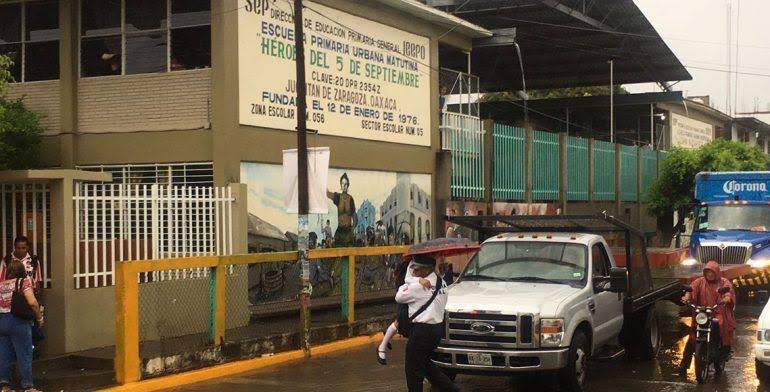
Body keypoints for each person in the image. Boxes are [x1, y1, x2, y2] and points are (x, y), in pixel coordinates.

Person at [395, 255, 458, 392]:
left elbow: (399, 296)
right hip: (436, 330)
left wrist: (416, 281)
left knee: (413, 371)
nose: (414, 272)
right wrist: (417, 279)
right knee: (426, 365)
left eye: (417, 270)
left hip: (421, 332)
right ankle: (452, 390)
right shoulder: (442, 282)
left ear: (426, 270)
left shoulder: (419, 287)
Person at [678, 260, 736, 375]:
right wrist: (687, 297)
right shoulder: (699, 282)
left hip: (717, 313)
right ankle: (683, 365)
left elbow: (728, 291)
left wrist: (727, 298)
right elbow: (691, 290)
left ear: (717, 272)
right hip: (702, 313)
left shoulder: (724, 282)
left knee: (722, 327)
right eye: (707, 272)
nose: (709, 274)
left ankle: (724, 351)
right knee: (692, 338)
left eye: (712, 272)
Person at [0, 260, 43, 392]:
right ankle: (28, 386)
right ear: (22, 271)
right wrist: (39, 317)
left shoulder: (1, 285)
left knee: (4, 354)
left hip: (2, 321)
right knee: (24, 353)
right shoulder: (23, 282)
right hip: (18, 321)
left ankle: (5, 385)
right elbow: (32, 302)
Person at [0, 237, 44, 351]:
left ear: (27, 248)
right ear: (14, 247)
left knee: (32, 326)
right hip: (11, 300)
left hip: (29, 297)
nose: (20, 250)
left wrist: (37, 299)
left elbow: (37, 281)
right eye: (18, 248)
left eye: (23, 248)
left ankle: (34, 349)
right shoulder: (7, 260)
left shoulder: (33, 261)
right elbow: (2, 280)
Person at [327, 173, 357, 247]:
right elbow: (327, 194)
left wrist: (352, 230)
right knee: (338, 255)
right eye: (342, 183)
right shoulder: (338, 197)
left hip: (348, 231)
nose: (344, 185)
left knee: (349, 256)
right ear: (340, 184)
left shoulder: (350, 199)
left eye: (346, 184)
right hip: (339, 231)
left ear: (348, 185)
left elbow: (355, 217)